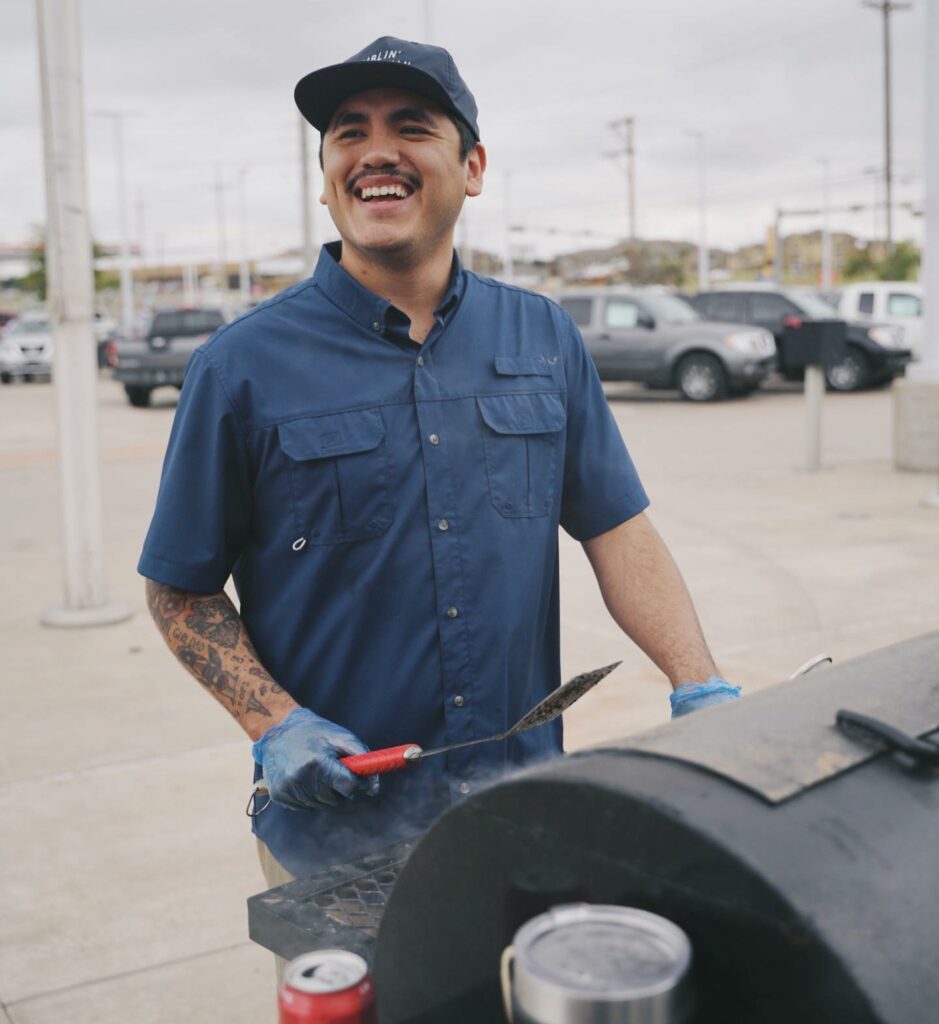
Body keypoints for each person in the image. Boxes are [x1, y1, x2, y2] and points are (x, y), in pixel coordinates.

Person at [139, 36, 739, 887]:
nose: (376, 151)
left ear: (473, 167)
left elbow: (615, 528)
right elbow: (179, 586)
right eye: (348, 133)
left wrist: (696, 681)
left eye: (412, 128)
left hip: (519, 810)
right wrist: (274, 722)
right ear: (324, 179)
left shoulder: (543, 338)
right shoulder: (239, 367)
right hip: (335, 838)